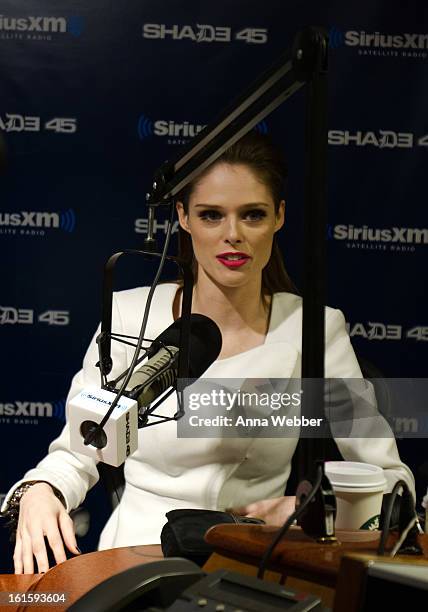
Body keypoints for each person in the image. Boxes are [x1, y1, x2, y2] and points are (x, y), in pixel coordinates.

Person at [1, 132, 415, 574]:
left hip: (252, 559)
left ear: (279, 216)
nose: (232, 235)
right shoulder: (129, 314)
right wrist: (42, 490)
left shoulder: (312, 328)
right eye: (211, 215)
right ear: (182, 216)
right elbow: (78, 450)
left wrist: (310, 509)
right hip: (132, 559)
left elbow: (390, 480)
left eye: (252, 215)